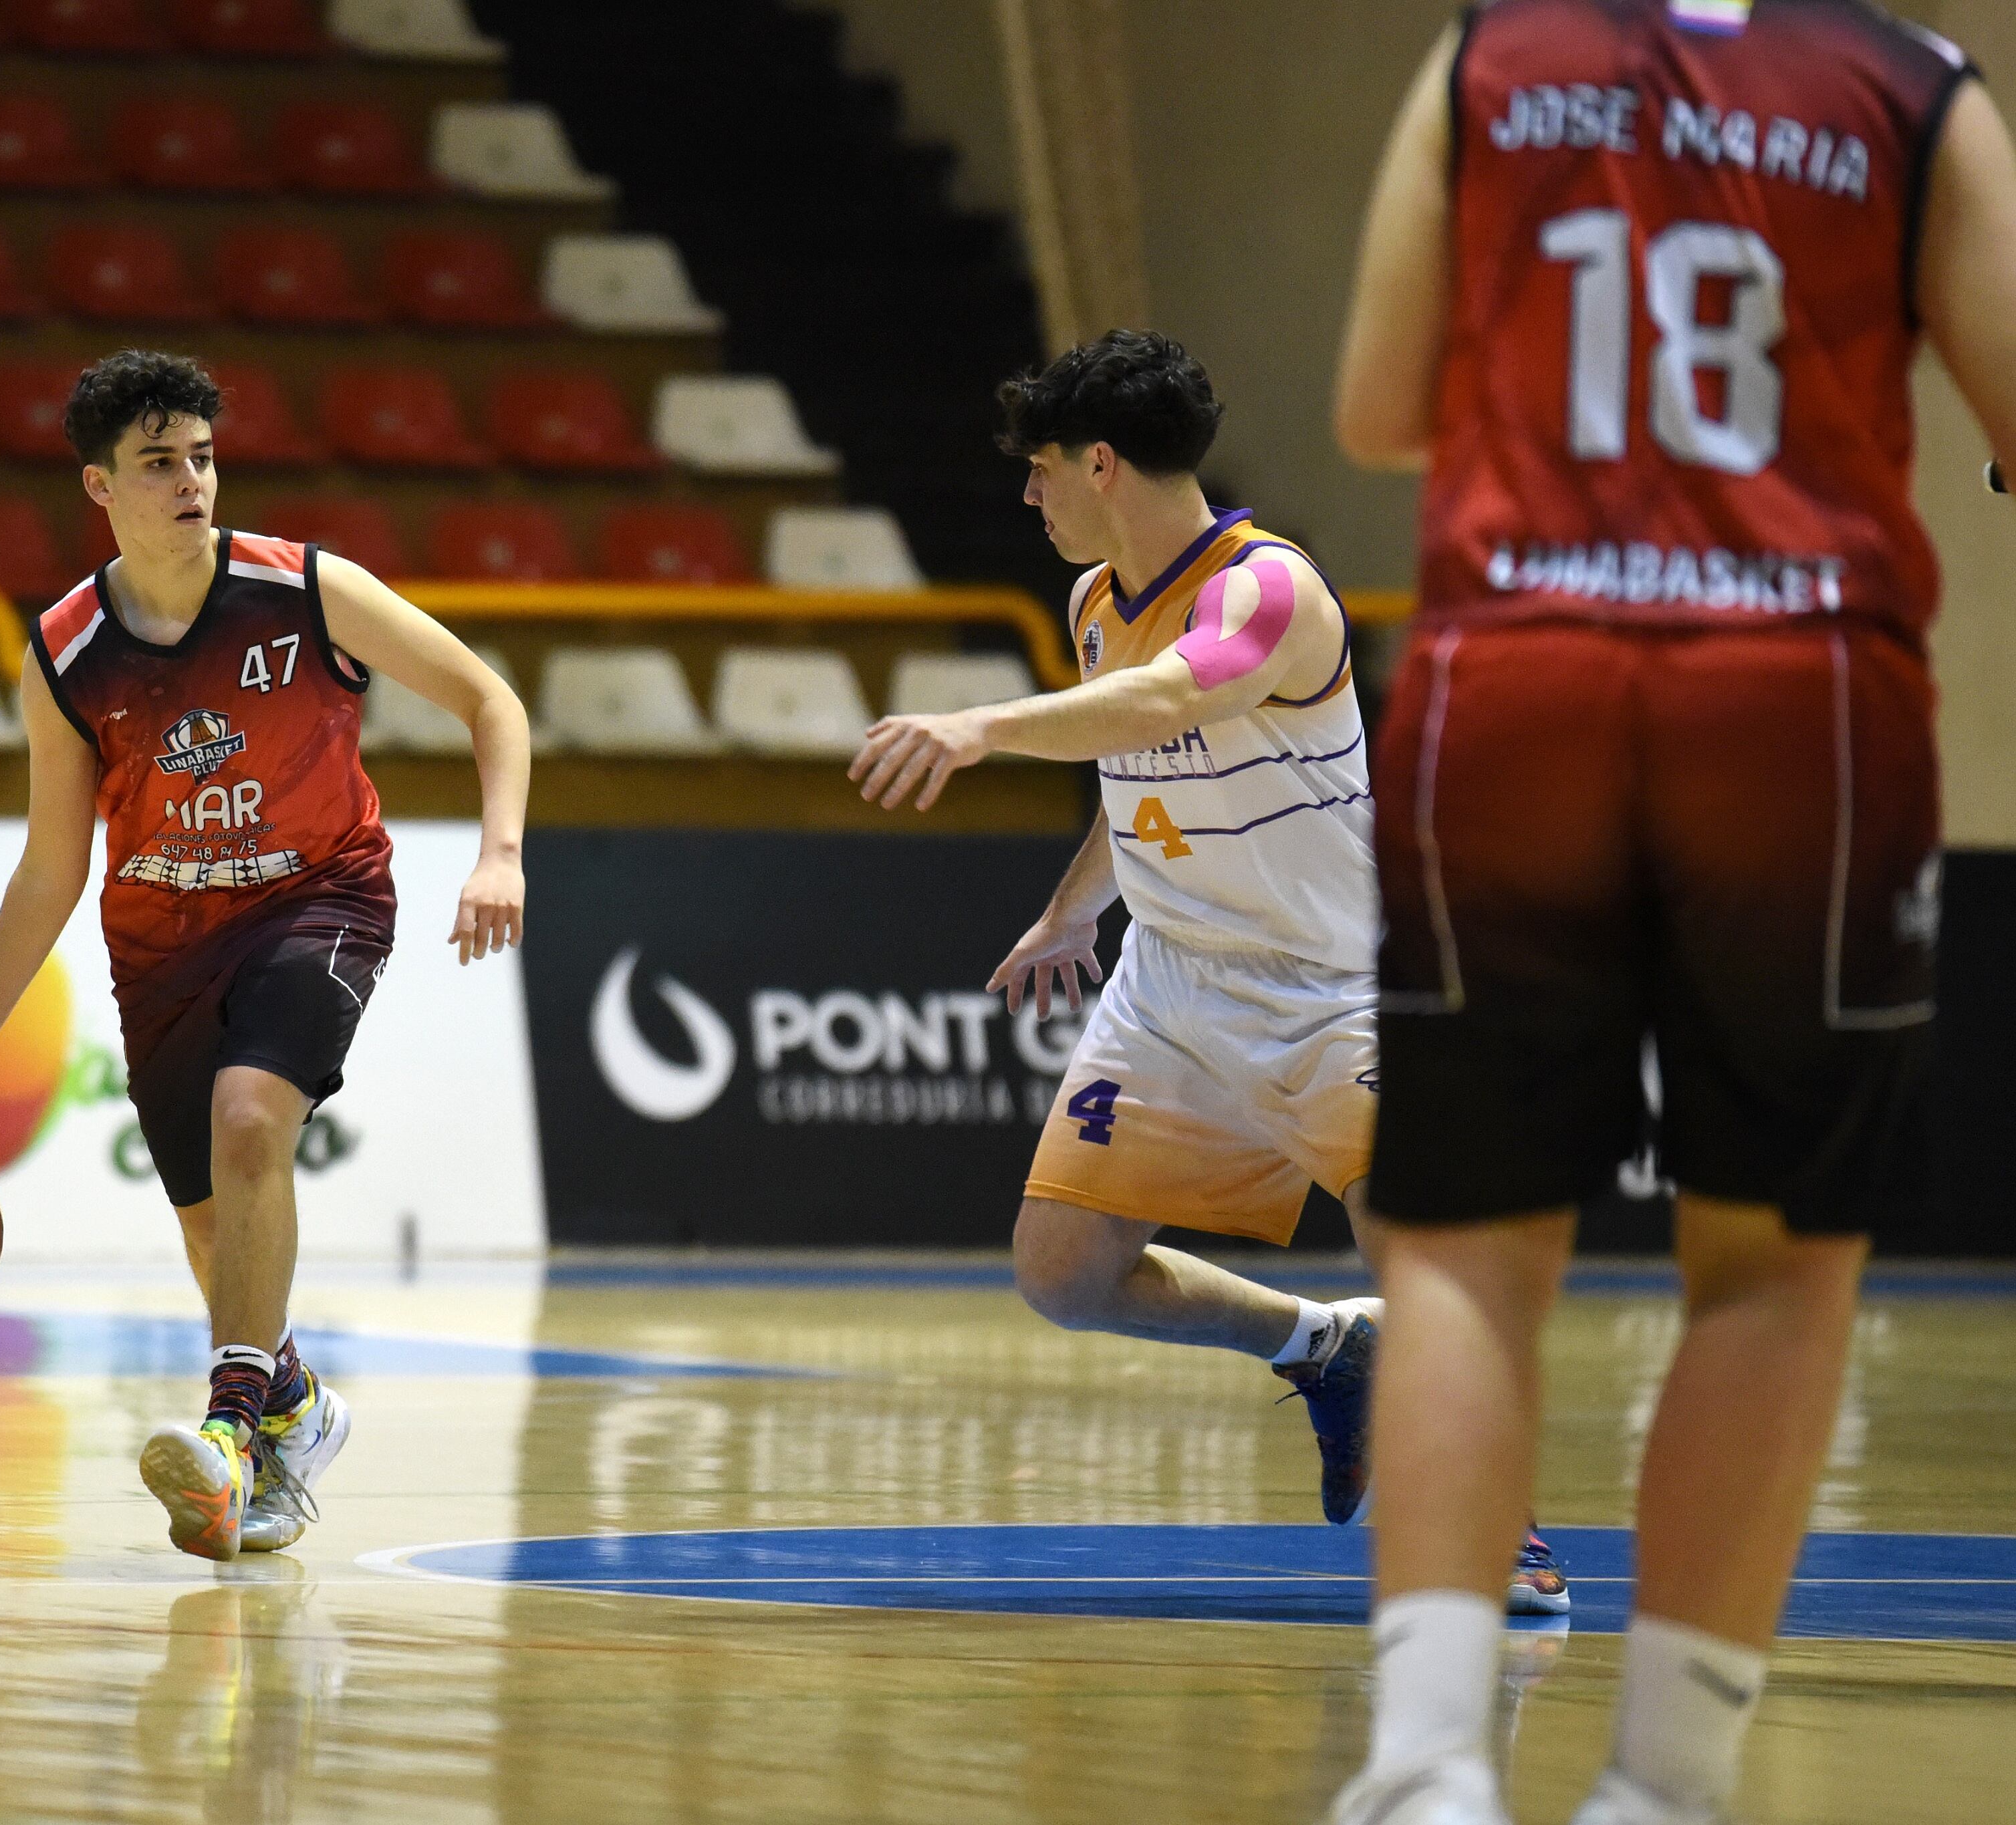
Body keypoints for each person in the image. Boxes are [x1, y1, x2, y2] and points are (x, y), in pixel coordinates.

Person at [1330, 3, 2016, 1820]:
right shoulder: (1913, 88)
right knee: (1773, 1259)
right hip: (1803, 700)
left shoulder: (1488, 54)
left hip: (1516, 672)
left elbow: (1377, 408)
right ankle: (1661, 1784)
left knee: (1465, 1247)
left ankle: (1425, 1768)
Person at [850, 331, 1566, 1615]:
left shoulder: (1268, 592)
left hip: (1334, 990)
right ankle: (1323, 1348)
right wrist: (1073, 911)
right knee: (1063, 1274)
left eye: (1041, 468)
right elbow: (1136, 774)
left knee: (1417, 1247)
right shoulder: (1094, 602)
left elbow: (1172, 703)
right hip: (1173, 990)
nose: (1029, 494)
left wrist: (977, 726)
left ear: (1102, 464)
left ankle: (1495, 1524)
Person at [0, 350, 532, 1561]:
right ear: (100, 486)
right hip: (162, 947)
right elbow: (51, 867)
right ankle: (294, 1412)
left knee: (250, 1121)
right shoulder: (68, 653)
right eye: (158, 463)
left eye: (202, 458)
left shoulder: (308, 590)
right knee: (210, 1230)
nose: (190, 481)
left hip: (321, 898)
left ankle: (232, 1431)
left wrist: (500, 854)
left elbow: (490, 702)